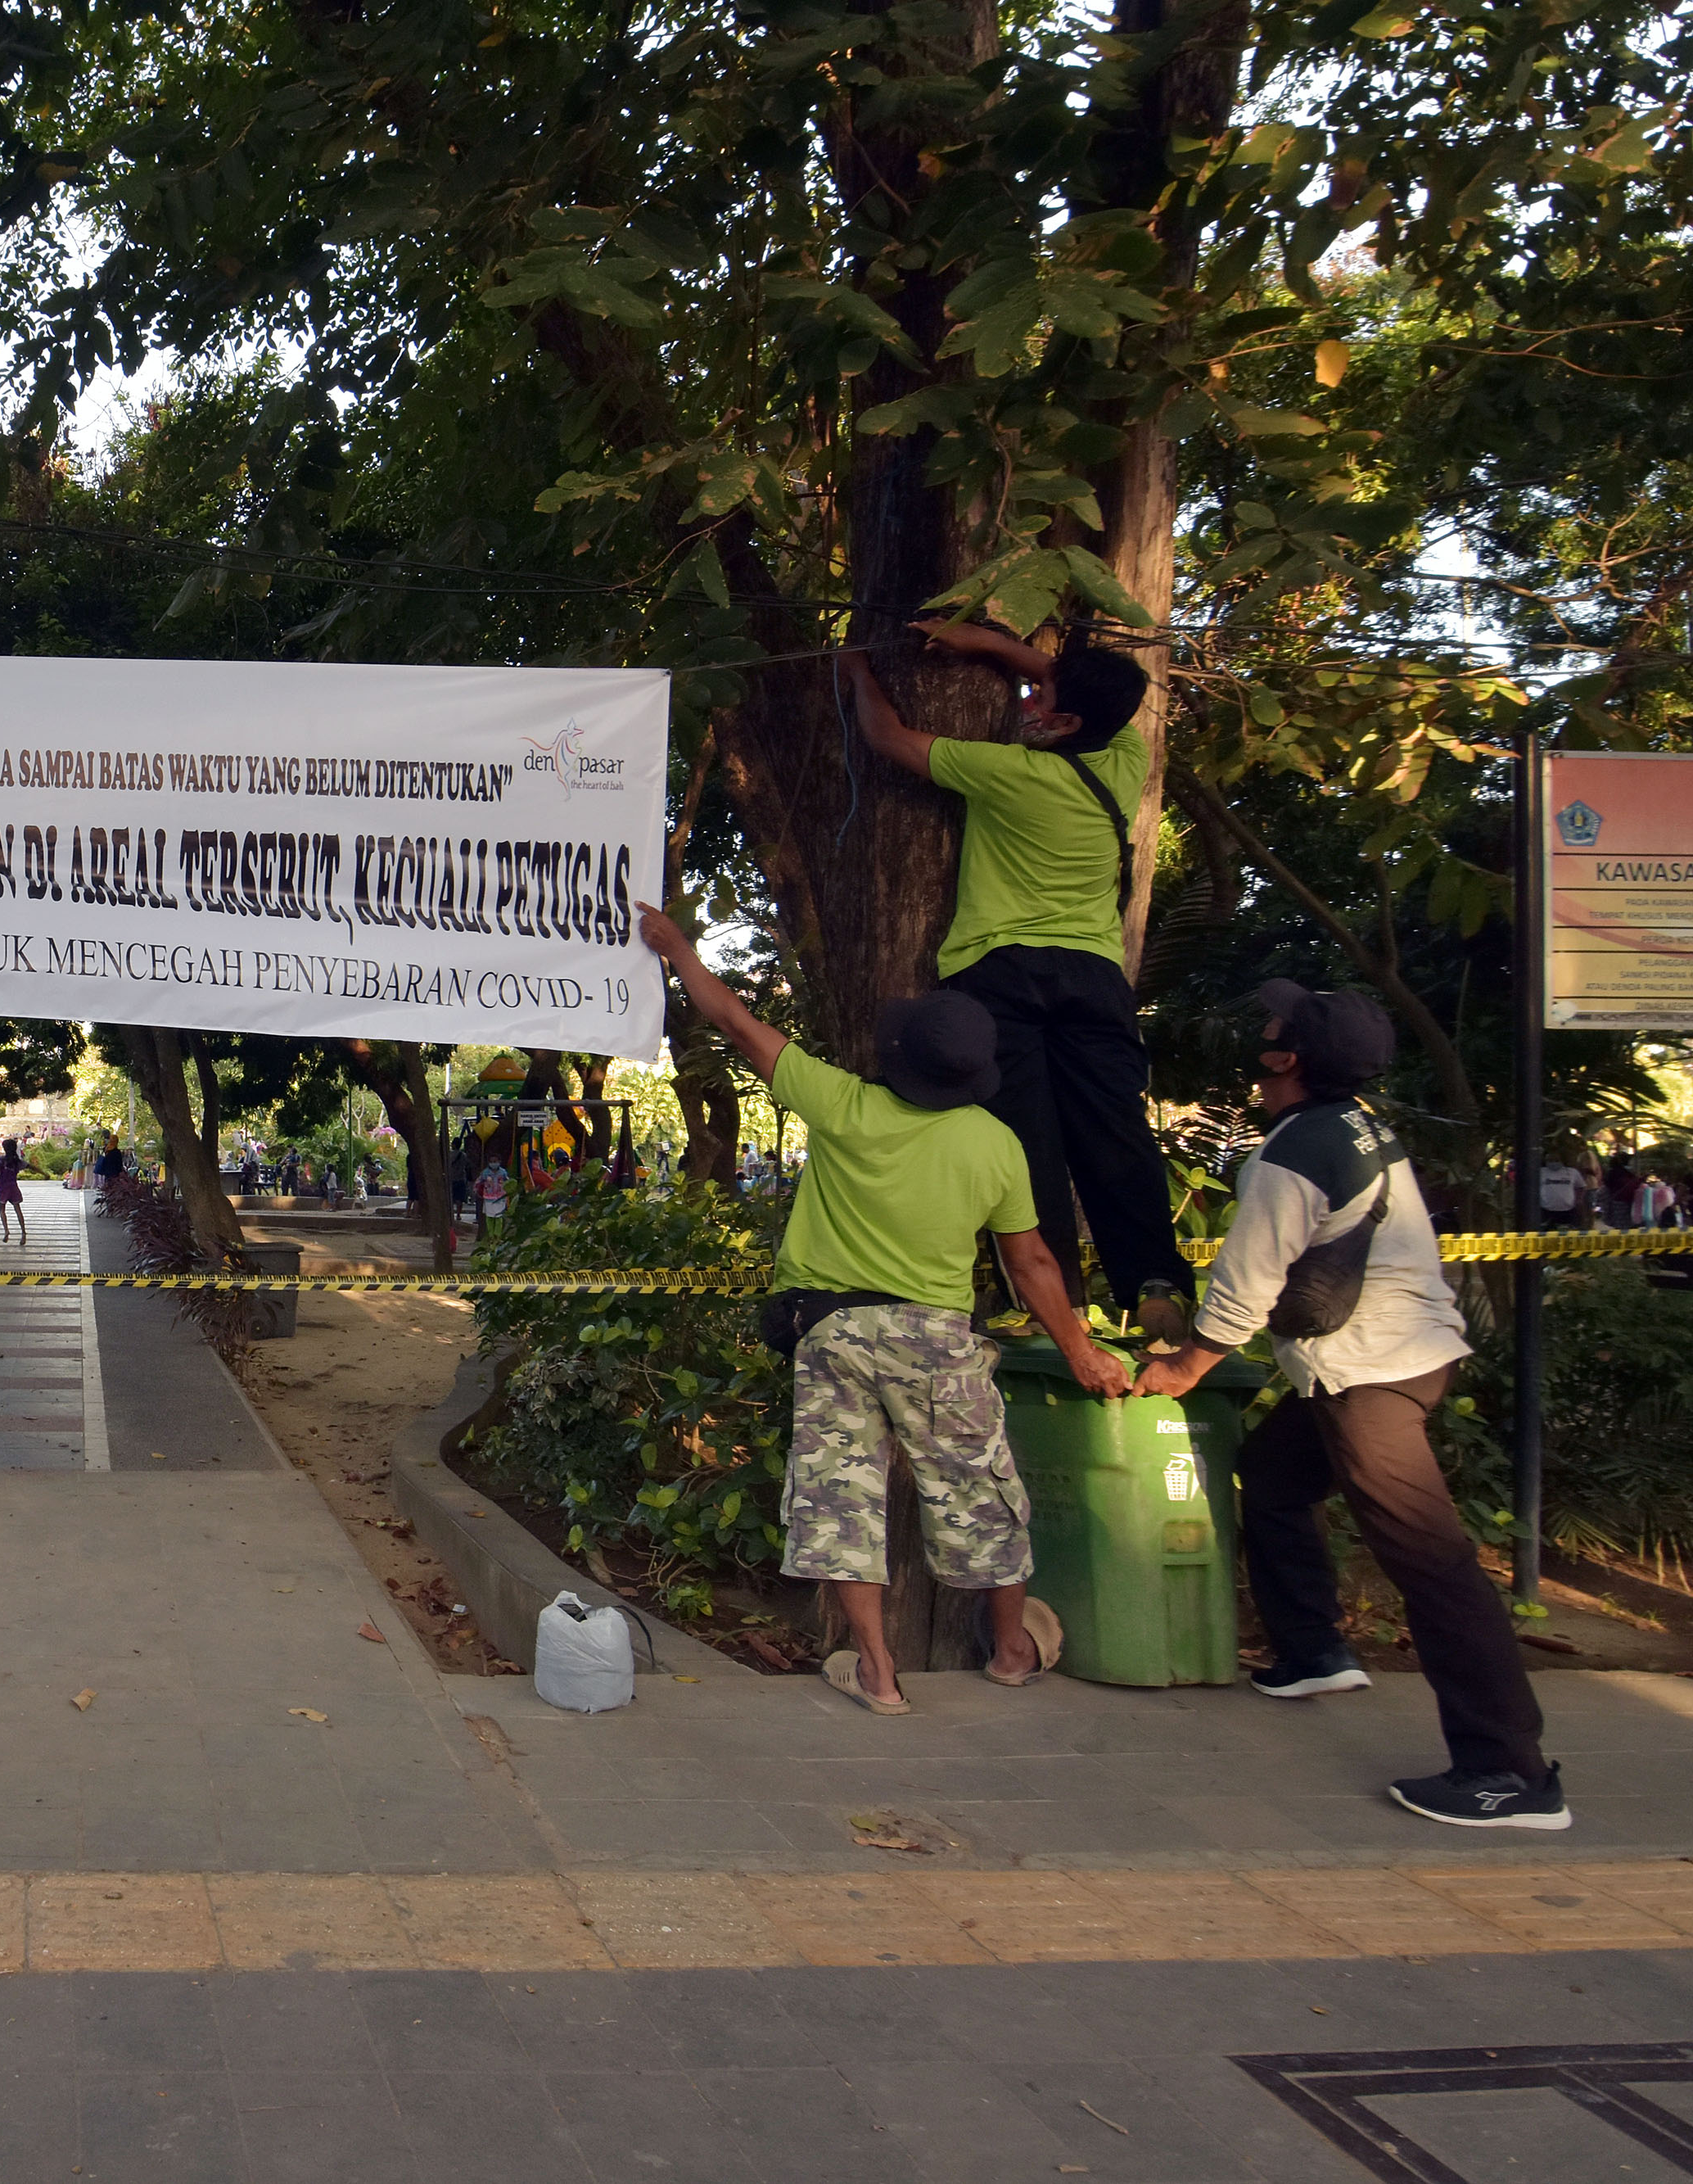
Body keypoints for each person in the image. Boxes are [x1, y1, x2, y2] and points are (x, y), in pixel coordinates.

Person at [642, 906, 1132, 1712]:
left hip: (832, 1331)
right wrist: (1082, 1352)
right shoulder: (994, 1143)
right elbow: (1032, 1262)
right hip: (934, 1340)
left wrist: (678, 950)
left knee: (840, 1498)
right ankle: (1012, 1650)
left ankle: (876, 1671)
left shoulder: (844, 1104)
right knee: (979, 1489)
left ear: (900, 1057)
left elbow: (734, 1020)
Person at [1137, 982, 1564, 1829]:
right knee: (1273, 1475)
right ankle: (1313, 1651)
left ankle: (1509, 1771)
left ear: (1283, 1058)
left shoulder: (1292, 1153)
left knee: (1435, 1567)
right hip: (1410, 1353)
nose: (1260, 1028)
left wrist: (1186, 1365)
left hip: (1368, 1375)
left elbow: (1245, 1287)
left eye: (1272, 1026)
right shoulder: (1355, 1123)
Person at [842, 626, 1200, 1342]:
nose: (1028, 698)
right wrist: (983, 642)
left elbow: (888, 737)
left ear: (1064, 723)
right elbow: (1073, 683)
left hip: (999, 970)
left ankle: (1051, 1294)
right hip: (1092, 973)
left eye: (1041, 697)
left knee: (1020, 1137)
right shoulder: (1123, 759)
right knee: (1115, 1126)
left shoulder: (1005, 770)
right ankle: (1154, 1280)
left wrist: (856, 667)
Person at [0, 1135, 29, 1244]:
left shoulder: (1, 1160)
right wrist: (44, 1173)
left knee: (2, 1210)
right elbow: (31, 1166)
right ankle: (23, 1232)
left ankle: (6, 1231)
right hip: (13, 1187)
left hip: (3, 1188)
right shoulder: (17, 1161)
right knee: (18, 1210)